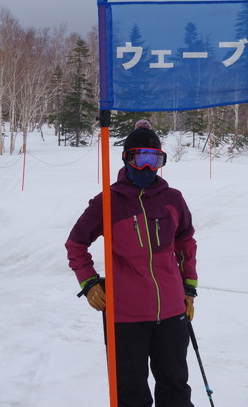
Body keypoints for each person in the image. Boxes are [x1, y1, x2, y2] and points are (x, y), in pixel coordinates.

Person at [65, 120, 197, 407]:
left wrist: (189, 289)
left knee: (175, 388)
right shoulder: (108, 202)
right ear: (127, 157)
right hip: (126, 318)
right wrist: (88, 283)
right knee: (131, 393)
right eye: (142, 158)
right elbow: (76, 244)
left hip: (172, 313)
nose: (149, 167)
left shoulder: (173, 199)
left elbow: (186, 243)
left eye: (156, 159)